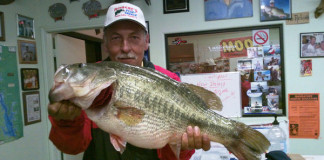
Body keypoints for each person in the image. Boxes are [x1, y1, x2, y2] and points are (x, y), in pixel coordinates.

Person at [48, 2, 211, 160]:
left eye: (134, 37)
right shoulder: (88, 83)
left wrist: (183, 147)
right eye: (116, 38)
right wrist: (66, 121)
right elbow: (72, 147)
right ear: (105, 43)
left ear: (146, 41)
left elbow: (173, 158)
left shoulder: (169, 80)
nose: (125, 47)